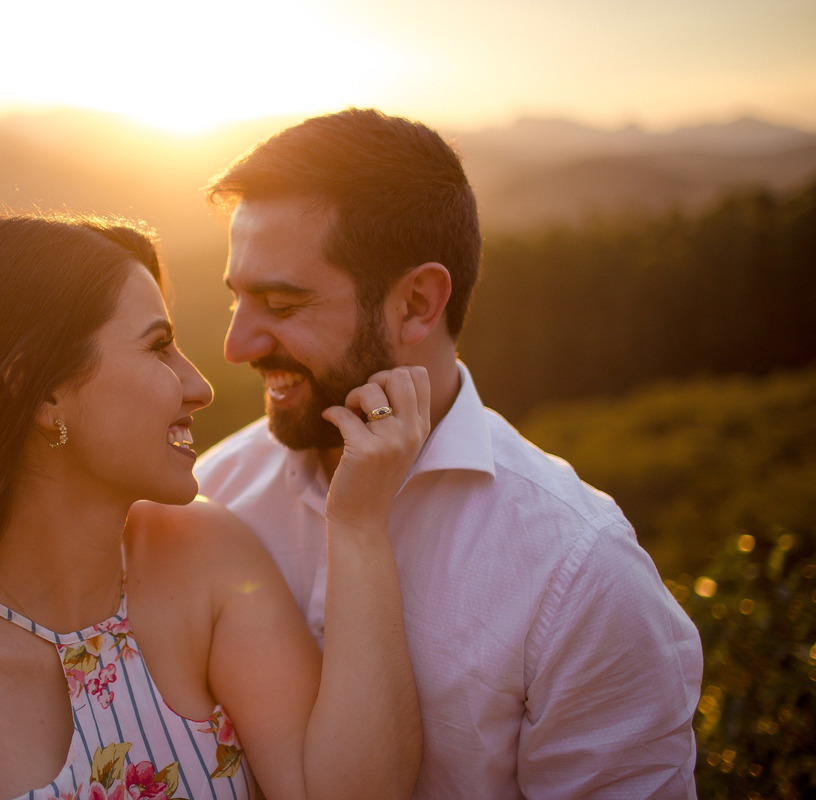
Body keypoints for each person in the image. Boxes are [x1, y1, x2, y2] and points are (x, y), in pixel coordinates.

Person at [0, 212, 427, 800]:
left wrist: (358, 526)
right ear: (42, 393)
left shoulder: (205, 558)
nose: (199, 385)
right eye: (157, 347)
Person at [195, 108, 704, 799]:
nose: (236, 346)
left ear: (416, 303)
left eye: (281, 304)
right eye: (236, 300)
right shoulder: (216, 490)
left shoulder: (581, 575)